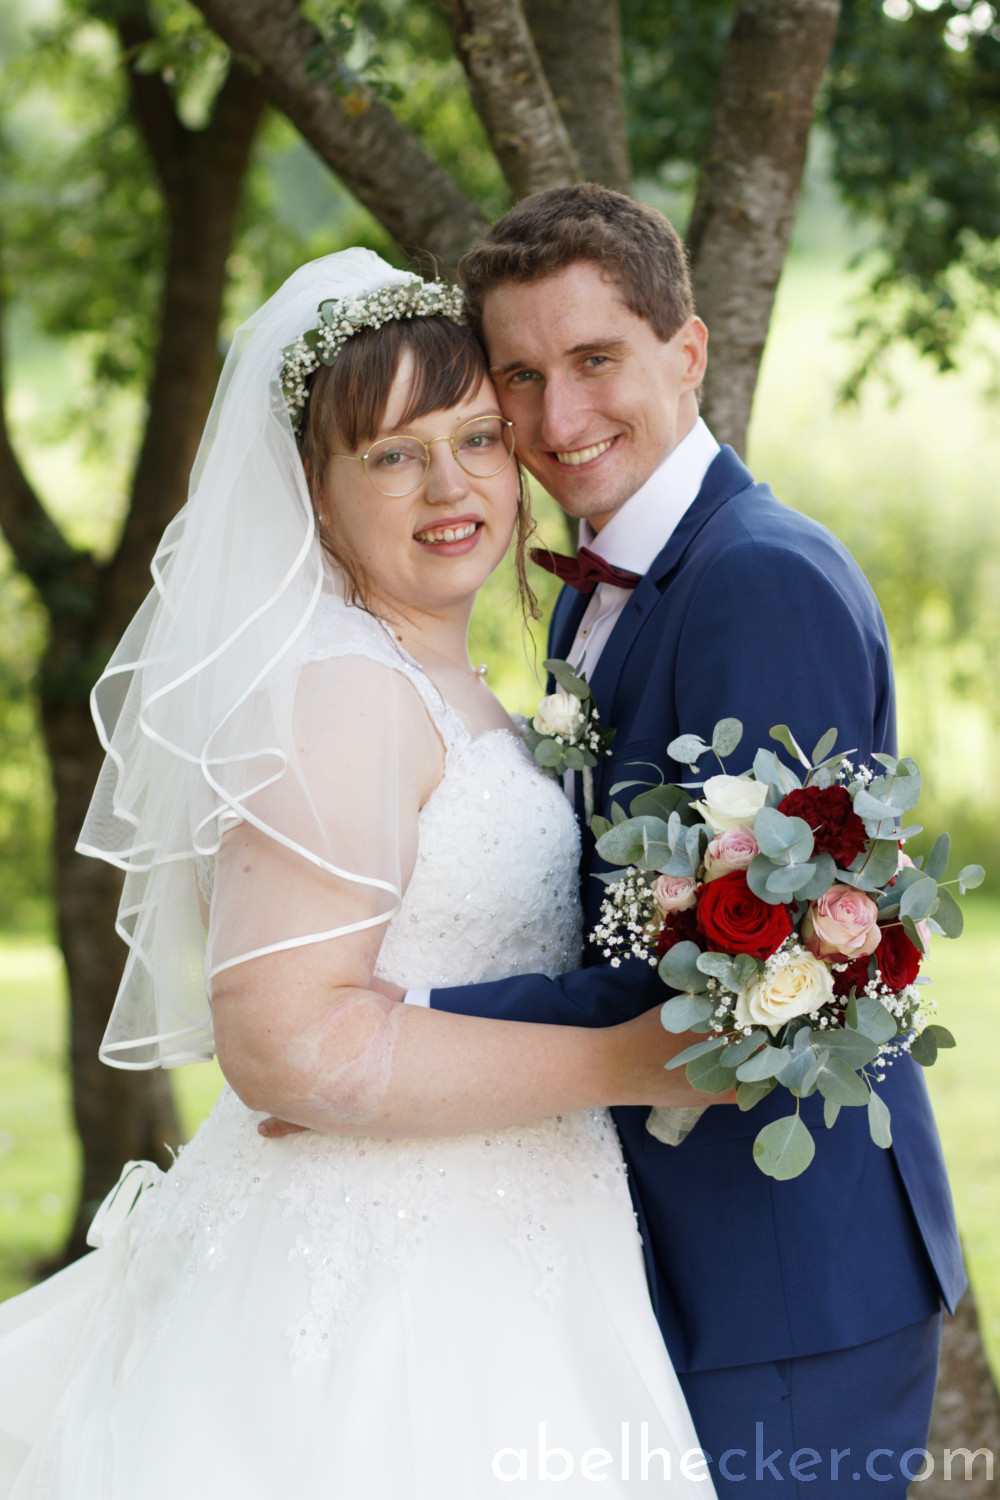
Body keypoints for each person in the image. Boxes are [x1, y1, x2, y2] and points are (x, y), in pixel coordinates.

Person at [0, 249, 719, 1499]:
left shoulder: (445, 678)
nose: (450, 485)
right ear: (315, 498)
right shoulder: (342, 689)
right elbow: (285, 1048)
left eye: (477, 438)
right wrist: (627, 1061)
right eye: (392, 455)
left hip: (511, 1237)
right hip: (376, 1282)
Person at [400, 186, 966, 1497]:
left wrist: (407, 1022)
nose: (557, 420)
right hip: (678, 1252)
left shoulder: (757, 581)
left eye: (595, 360)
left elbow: (747, 985)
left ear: (688, 351)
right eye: (521, 376)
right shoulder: (595, 591)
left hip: (786, 1276)